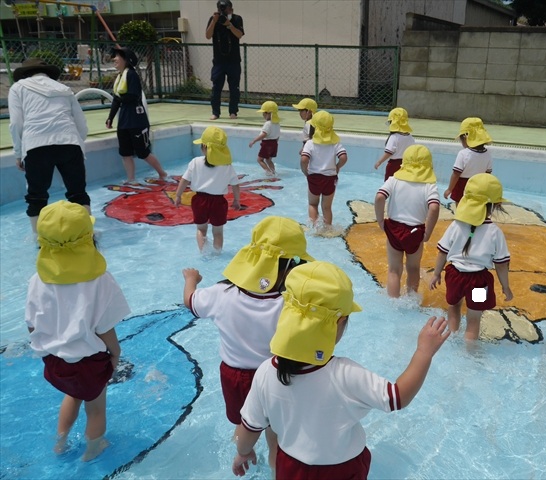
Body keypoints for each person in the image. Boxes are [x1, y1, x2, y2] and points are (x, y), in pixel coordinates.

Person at [231, 261, 450, 478]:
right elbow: (398, 397)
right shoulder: (345, 374)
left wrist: (243, 452)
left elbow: (249, 428)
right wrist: (424, 352)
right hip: (343, 470)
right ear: (339, 323)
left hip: (291, 467)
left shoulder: (266, 372)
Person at [182, 216, 314, 475]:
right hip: (276, 376)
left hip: (235, 376)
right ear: (291, 267)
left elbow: (190, 301)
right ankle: (275, 472)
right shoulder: (290, 303)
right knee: (276, 436)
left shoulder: (222, 294)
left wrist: (191, 279)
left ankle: (243, 452)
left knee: (244, 423)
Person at [25, 201, 130, 461]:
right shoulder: (100, 280)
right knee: (96, 409)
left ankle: (60, 443)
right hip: (89, 363)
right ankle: (92, 450)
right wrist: (115, 354)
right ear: (90, 239)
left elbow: (32, 324)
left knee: (72, 395)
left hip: (55, 362)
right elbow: (105, 328)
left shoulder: (37, 280)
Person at [8, 58, 91, 233]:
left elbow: (16, 124)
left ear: (25, 73)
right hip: (69, 142)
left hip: (36, 145)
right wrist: (77, 143)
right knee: (78, 193)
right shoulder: (64, 89)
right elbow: (81, 123)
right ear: (47, 72)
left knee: (36, 197)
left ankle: (39, 239)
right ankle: (87, 234)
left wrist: (19, 153)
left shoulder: (18, 88)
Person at [429, 173, 513, 341]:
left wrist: (436, 273)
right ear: (495, 205)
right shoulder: (494, 232)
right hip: (478, 282)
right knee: (474, 319)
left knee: (454, 308)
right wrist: (506, 287)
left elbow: (443, 252)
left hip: (455, 277)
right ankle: (469, 350)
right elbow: (501, 264)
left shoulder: (456, 225)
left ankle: (451, 340)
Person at [375, 144, 440, 298]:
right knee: (413, 268)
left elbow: (379, 197)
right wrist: (428, 233)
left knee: (394, 270)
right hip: (415, 231)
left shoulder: (394, 180)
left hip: (394, 228)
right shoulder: (429, 186)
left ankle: (393, 302)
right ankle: (412, 299)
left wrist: (380, 221)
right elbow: (434, 207)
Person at [105, 47, 170, 184]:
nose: (114, 59)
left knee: (143, 152)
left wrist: (119, 98)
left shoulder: (132, 75)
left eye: (117, 56)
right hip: (124, 121)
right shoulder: (120, 77)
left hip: (136, 121)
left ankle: (162, 174)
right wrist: (110, 117)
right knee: (125, 152)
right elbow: (116, 100)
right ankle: (131, 179)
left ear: (126, 60)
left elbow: (133, 96)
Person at [174, 126, 242, 253]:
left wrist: (178, 195)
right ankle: (217, 254)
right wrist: (237, 200)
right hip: (218, 202)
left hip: (200, 200)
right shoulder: (227, 166)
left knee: (201, 229)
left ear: (204, 147)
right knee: (218, 232)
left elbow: (184, 180)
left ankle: (203, 253)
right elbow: (235, 185)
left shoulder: (195, 162)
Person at [300, 111, 348, 229]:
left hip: (314, 177)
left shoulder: (310, 143)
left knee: (313, 204)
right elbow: (343, 157)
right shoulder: (335, 143)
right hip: (330, 178)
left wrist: (305, 171)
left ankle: (314, 228)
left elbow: (304, 159)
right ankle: (328, 229)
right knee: (327, 207)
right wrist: (337, 167)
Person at [205, 0, 244, 120]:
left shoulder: (236, 19)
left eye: (225, 9)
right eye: (220, 9)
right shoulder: (213, 19)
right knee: (216, 88)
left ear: (231, 9)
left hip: (233, 61)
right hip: (219, 62)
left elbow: (239, 35)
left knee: (234, 88)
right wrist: (214, 21)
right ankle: (215, 112)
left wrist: (229, 24)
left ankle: (233, 112)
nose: (223, 12)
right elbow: (208, 35)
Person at [444, 117, 493, 204]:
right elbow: (487, 174)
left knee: (460, 207)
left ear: (465, 137)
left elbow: (456, 174)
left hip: (462, 185)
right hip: (478, 186)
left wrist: (449, 189)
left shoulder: (463, 154)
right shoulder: (488, 154)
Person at [373, 107, 416, 181]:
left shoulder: (394, 137)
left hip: (393, 165)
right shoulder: (410, 137)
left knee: (389, 184)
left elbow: (389, 152)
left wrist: (379, 162)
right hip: (406, 165)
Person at [249, 101, 280, 176]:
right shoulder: (277, 123)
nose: (263, 115)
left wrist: (254, 141)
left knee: (260, 160)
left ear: (268, 114)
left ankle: (269, 173)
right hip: (274, 143)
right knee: (269, 160)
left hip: (267, 144)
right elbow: (278, 135)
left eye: (264, 113)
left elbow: (264, 134)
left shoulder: (268, 124)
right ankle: (273, 172)